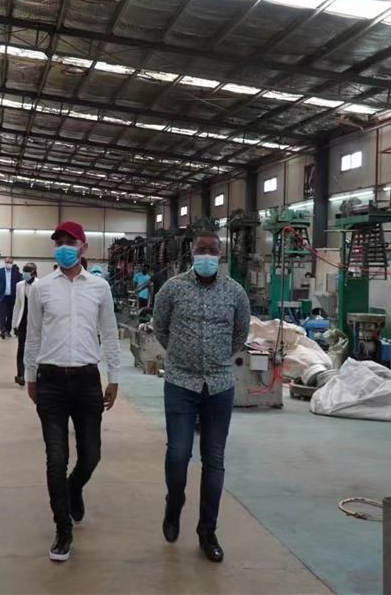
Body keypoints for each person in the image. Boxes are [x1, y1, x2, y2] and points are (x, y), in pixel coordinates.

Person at [24, 222, 120, 562]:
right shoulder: (41, 288)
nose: (64, 247)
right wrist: (30, 376)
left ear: (83, 247)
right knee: (56, 458)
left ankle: (74, 487)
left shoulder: (99, 288)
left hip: (87, 380)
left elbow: (110, 333)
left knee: (91, 454)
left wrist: (114, 377)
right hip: (50, 380)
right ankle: (62, 529)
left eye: (70, 241)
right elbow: (33, 335)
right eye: (59, 242)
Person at [152, 231, 250, 563]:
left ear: (220, 254)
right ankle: (174, 502)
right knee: (178, 453)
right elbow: (160, 327)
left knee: (214, 461)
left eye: (212, 250)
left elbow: (240, 333)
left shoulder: (235, 292)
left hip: (219, 386)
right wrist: (183, 355)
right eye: (201, 249)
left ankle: (207, 532)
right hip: (180, 383)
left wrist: (216, 358)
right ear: (192, 253)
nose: (206, 255)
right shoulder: (173, 288)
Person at [12, 262, 37, 386]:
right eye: (24, 271)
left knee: (34, 348)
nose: (25, 273)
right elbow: (17, 305)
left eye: (28, 271)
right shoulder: (19, 285)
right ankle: (20, 374)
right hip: (22, 321)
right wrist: (14, 324)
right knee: (21, 348)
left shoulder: (40, 285)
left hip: (35, 322)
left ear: (34, 272)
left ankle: (34, 374)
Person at [0, 257, 21, 339]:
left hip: (12, 297)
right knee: (2, 315)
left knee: (10, 315)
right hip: (2, 297)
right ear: (4, 262)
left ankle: (8, 331)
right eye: (7, 262)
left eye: (10, 262)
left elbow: (19, 284)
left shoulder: (16, 273)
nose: (8, 264)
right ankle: (2, 331)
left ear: (12, 263)